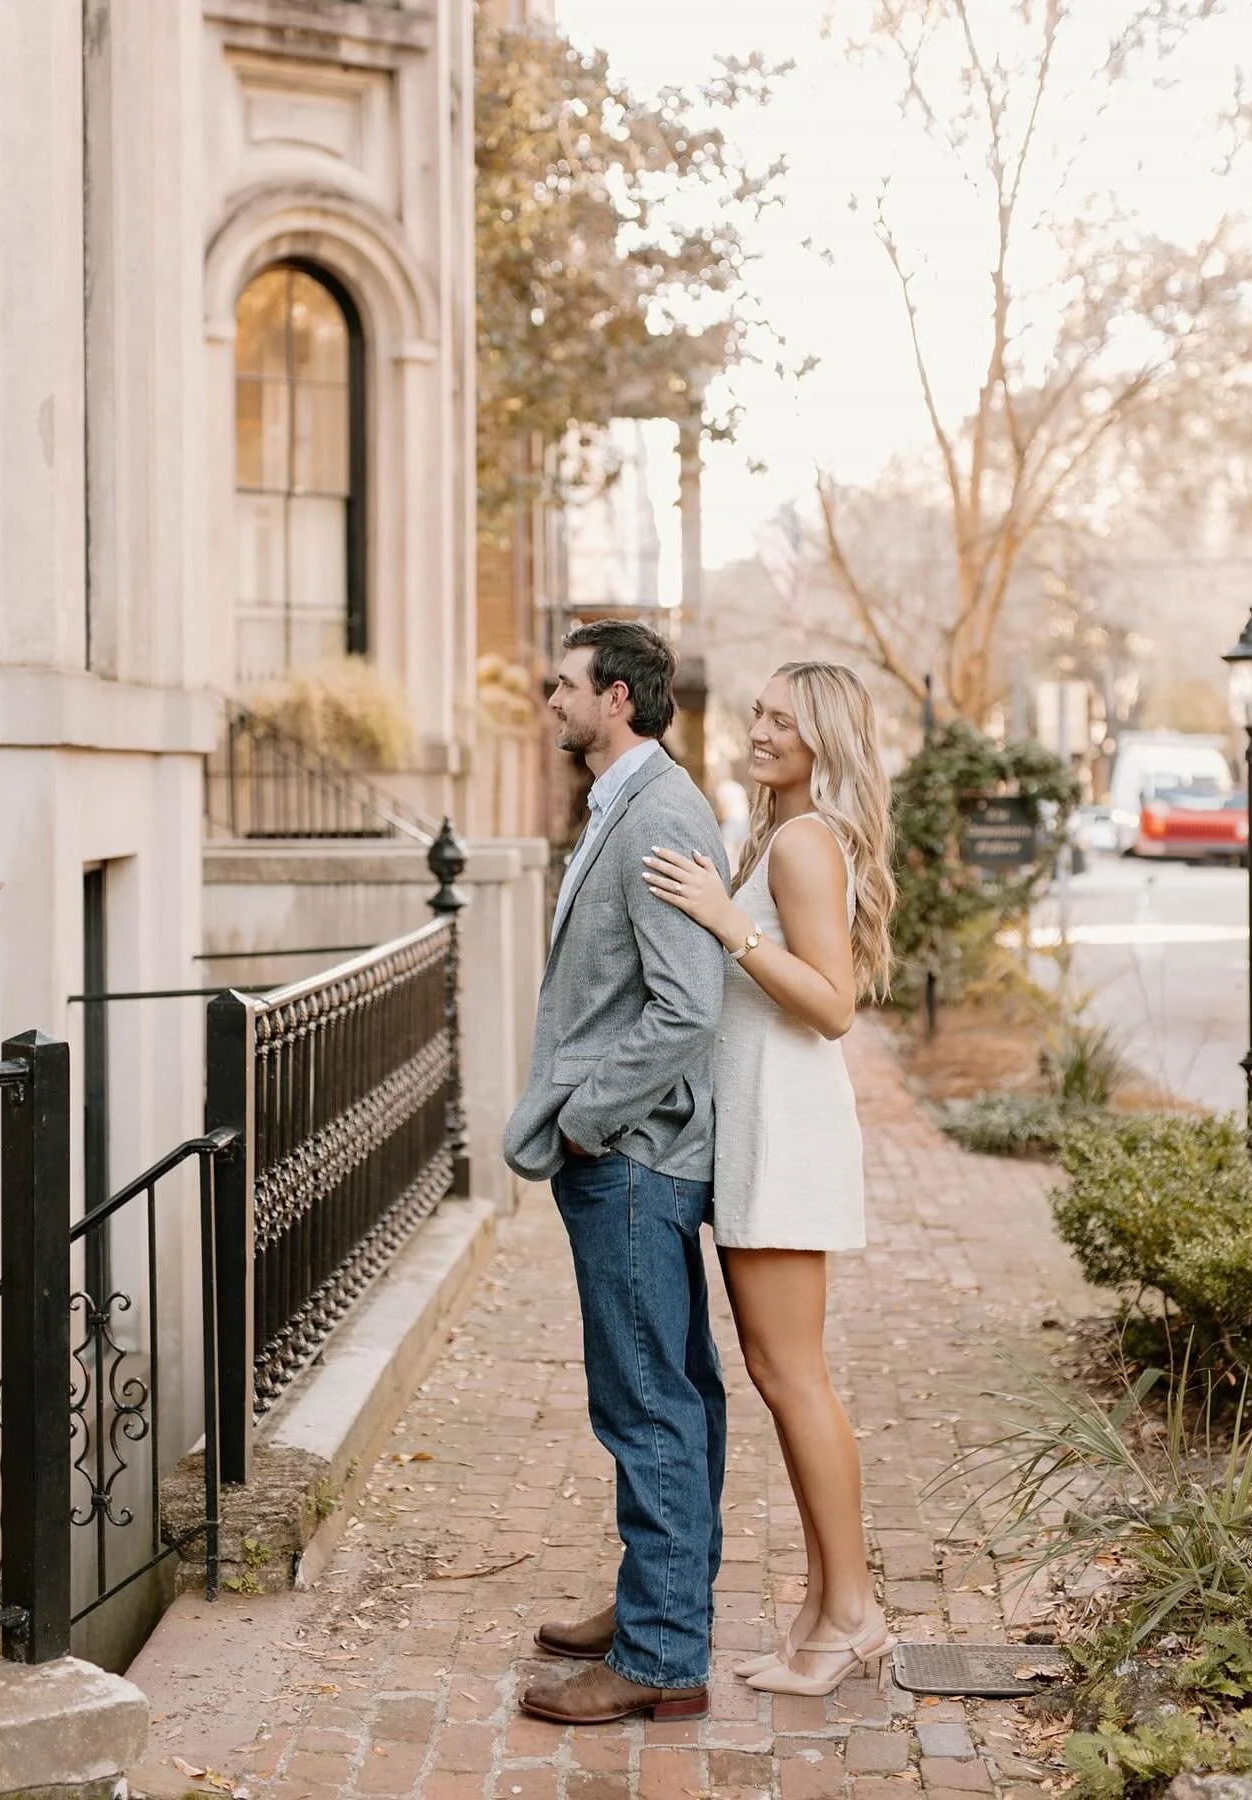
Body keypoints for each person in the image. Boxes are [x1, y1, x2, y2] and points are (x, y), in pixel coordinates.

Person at [642, 660, 898, 1696]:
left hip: (787, 1129)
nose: (759, 730)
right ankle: (825, 1609)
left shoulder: (801, 842)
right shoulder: (784, 834)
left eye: (783, 720)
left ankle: (854, 1614)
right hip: (767, 1127)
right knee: (780, 1371)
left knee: (793, 1376)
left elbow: (833, 1006)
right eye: (758, 712)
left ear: (823, 740)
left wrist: (726, 920)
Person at [503, 619, 731, 1727]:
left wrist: (589, 1122)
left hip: (634, 1159)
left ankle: (661, 1656)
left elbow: (688, 1009)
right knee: (669, 1391)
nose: (550, 698)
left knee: (646, 1403)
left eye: (565, 684)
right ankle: (659, 1604)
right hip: (630, 1158)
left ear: (618, 700)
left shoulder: (662, 815)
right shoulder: (623, 805)